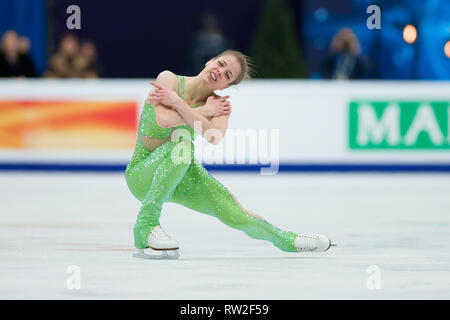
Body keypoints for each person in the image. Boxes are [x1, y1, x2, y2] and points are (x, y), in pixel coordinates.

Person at [125, 50, 333, 258]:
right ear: (210, 61)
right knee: (183, 147)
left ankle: (288, 240)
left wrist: (178, 103)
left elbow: (213, 136)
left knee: (236, 213)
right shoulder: (169, 79)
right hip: (142, 174)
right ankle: (146, 224)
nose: (220, 72)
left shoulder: (220, 107)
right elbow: (163, 119)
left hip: (181, 173)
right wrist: (205, 112)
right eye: (221, 64)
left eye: (227, 75)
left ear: (225, 86)